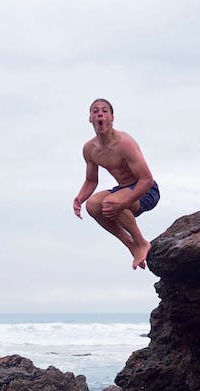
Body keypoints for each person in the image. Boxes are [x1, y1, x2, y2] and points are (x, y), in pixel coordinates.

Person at [73, 98, 160, 270]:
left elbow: (147, 180)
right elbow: (91, 180)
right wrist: (79, 198)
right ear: (90, 118)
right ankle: (131, 245)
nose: (100, 113)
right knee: (93, 205)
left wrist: (124, 203)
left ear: (112, 118)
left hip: (147, 190)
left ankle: (141, 242)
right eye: (95, 111)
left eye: (104, 111)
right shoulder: (90, 149)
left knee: (110, 203)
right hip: (123, 189)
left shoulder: (124, 143)